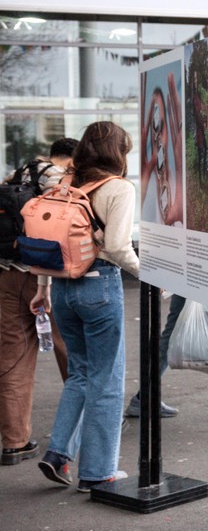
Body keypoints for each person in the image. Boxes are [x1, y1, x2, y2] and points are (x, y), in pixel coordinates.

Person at [33, 121, 138, 492]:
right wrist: (153, 274)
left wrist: (43, 287)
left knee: (79, 374)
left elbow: (50, 239)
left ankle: (59, 454)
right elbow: (120, 247)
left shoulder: (66, 183)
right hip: (99, 287)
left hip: (61, 288)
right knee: (106, 381)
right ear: (117, 152)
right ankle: (97, 471)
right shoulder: (118, 188)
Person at [0, 138, 76, 466]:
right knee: (72, 351)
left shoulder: (13, 177)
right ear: (70, 159)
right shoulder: (60, 179)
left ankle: (15, 442)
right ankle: (87, 425)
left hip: (7, 276)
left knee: (13, 358)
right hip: (46, 276)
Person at [141, 71, 183, 226]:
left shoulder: (178, 186)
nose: (158, 136)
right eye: (154, 126)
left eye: (161, 126)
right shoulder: (147, 191)